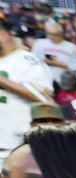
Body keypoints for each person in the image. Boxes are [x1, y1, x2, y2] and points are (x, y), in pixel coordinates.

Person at [1, 19, 54, 151]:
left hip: (17, 143)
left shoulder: (25, 59)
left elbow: (42, 94)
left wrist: (2, 80)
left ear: (2, 35)